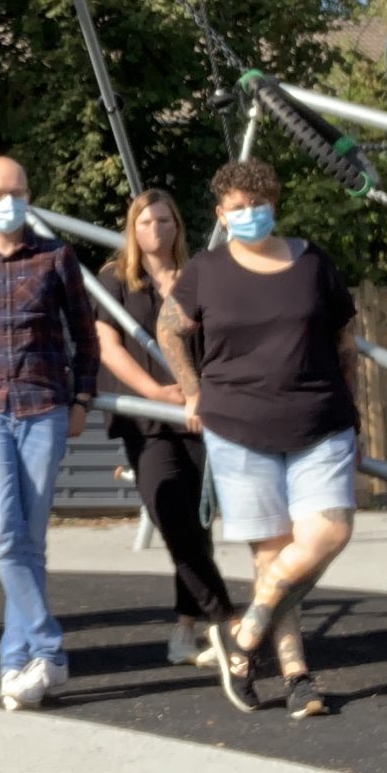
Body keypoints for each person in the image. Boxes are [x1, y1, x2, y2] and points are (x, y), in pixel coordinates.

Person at [158, 158, 359, 721]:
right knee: (272, 555)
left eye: (258, 204)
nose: (249, 215)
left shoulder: (313, 261)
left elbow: (347, 334)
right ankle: (297, 674)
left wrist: (356, 408)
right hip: (240, 427)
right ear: (221, 215)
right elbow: (170, 327)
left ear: (275, 203)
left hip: (320, 419)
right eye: (237, 208)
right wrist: (192, 391)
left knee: (330, 531)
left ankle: (242, 639)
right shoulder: (207, 269)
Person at [0, 155, 100, 712]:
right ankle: (50, 647)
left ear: (29, 195)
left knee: (29, 541)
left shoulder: (56, 256)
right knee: (5, 531)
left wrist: (81, 398)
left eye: (18, 189)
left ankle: (16, 665)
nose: (9, 199)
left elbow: (85, 334)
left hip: (43, 407)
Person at [94, 189, 235, 667]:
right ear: (132, 230)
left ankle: (186, 629)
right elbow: (108, 347)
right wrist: (154, 393)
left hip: (198, 416)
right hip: (147, 418)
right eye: (146, 222)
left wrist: (200, 392)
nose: (156, 230)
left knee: (197, 525)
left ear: (178, 225)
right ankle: (227, 621)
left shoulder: (199, 276)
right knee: (170, 512)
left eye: (165, 221)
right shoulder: (115, 280)